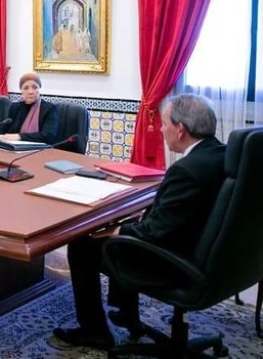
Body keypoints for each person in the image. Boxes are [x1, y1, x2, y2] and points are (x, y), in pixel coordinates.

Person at [54, 94, 227, 351]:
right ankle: (128, 315)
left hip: (178, 262)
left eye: (164, 124)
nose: (161, 130)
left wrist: (118, 229)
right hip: (210, 255)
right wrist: (139, 220)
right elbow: (180, 213)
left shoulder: (186, 170)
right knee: (127, 229)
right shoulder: (223, 154)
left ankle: (94, 331)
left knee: (83, 245)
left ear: (180, 130)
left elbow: (155, 233)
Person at [0, 72, 58, 143]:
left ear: (39, 88)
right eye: (26, 88)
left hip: (40, 151)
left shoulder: (49, 109)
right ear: (21, 91)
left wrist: (19, 136)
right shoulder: (15, 107)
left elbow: (47, 136)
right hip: (15, 149)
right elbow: (6, 126)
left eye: (35, 87)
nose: (30, 92)